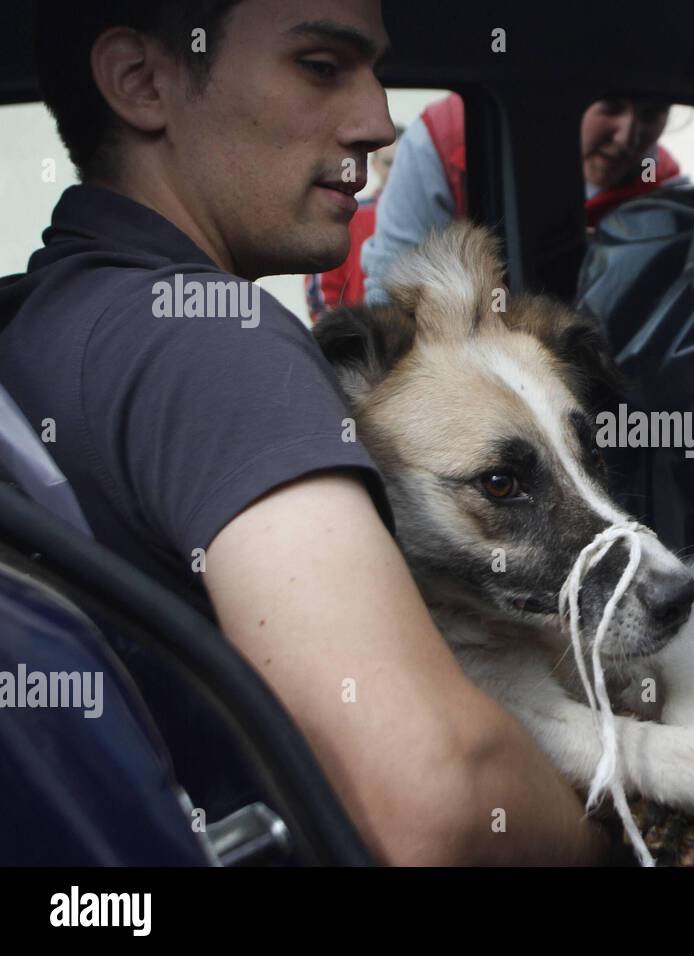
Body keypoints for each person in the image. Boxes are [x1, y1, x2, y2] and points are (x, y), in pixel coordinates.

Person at [0, 0, 613, 865]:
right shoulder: (213, 338)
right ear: (141, 83)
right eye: (321, 66)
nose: (377, 119)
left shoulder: (35, 320)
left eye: (374, 73)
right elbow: (435, 796)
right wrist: (647, 834)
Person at [361, 93, 684, 303]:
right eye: (611, 106)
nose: (627, 138)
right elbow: (394, 286)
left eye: (652, 113)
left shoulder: (665, 189)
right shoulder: (443, 140)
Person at [303, 125, 401, 321]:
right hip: (357, 340)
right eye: (389, 163)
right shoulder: (348, 213)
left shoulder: (434, 215)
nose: (395, 171)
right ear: (374, 166)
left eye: (401, 163)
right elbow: (321, 288)